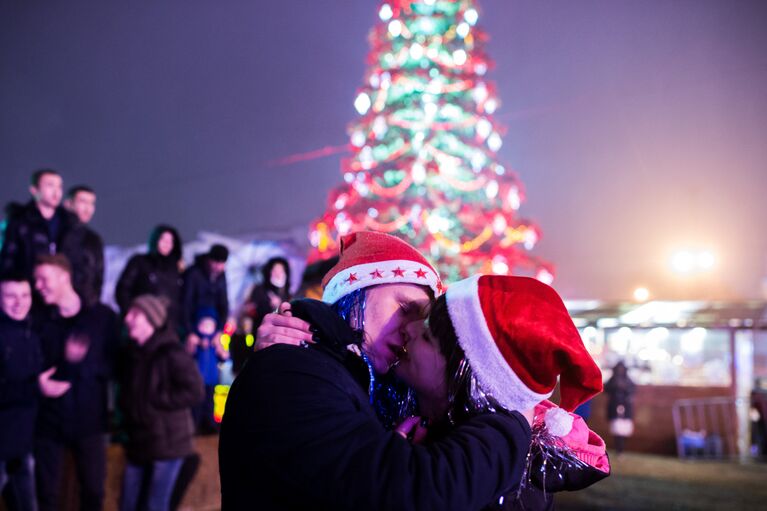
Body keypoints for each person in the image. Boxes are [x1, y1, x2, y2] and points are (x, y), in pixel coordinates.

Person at [220, 231, 534, 511]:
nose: (411, 330)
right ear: (355, 293)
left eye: (421, 323)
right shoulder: (292, 370)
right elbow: (411, 489)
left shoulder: (372, 380)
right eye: (405, 308)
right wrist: (515, 421)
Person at [392, 275, 610, 510]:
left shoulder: (502, 492)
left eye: (427, 337)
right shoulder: (446, 434)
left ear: (471, 379)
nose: (408, 328)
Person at [33, 254, 119, 511]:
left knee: (93, 492)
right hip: (48, 423)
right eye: (36, 280)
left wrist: (79, 365)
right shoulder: (39, 320)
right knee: (47, 495)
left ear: (64, 277)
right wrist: (37, 382)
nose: (38, 286)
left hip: (89, 421)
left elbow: (115, 364)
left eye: (43, 279)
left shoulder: (101, 317)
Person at [118, 294, 204, 511]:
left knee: (155, 506)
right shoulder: (133, 353)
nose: (128, 318)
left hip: (168, 443)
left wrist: (157, 399)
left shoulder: (171, 352)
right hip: (139, 441)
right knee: (127, 504)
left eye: (135, 314)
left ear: (151, 320)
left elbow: (195, 391)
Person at [0, 169, 85, 281]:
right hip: (29, 287)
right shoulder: (20, 221)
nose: (56, 192)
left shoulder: (70, 223)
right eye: (50, 185)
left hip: (61, 286)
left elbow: (78, 260)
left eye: (59, 186)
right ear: (34, 190)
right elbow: (9, 259)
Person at [116, 225, 183, 328]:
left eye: (170, 241)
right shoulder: (139, 262)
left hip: (168, 326)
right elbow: (123, 289)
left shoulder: (177, 269)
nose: (167, 244)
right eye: (163, 239)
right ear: (155, 240)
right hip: (142, 322)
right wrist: (130, 312)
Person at [181, 244, 229, 353]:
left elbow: (224, 304)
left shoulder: (221, 276)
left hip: (213, 325)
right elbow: (186, 303)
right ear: (209, 260)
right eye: (216, 262)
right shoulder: (194, 273)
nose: (218, 267)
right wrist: (189, 332)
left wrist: (220, 330)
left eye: (222, 263)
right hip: (194, 323)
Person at [63, 185, 104, 306]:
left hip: (85, 305)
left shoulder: (94, 239)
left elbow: (98, 277)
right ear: (68, 204)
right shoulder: (55, 232)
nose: (88, 209)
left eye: (92, 203)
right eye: (83, 202)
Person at [189, 307, 227, 434]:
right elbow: (188, 355)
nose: (206, 327)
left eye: (210, 325)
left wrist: (219, 347)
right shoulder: (194, 340)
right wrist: (193, 343)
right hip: (197, 379)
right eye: (203, 324)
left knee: (209, 403)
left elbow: (225, 357)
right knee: (196, 403)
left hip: (211, 379)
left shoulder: (216, 342)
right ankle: (195, 425)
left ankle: (209, 425)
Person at [243, 256, 291, 328]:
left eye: (281, 270)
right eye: (275, 270)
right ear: (270, 272)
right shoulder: (259, 289)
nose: (278, 274)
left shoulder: (288, 294)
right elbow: (251, 311)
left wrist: (279, 306)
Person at [604, 361, 636, 454]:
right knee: (616, 430)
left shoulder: (628, 381)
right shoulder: (613, 380)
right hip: (615, 409)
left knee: (624, 431)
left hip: (626, 410)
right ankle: (619, 450)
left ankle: (621, 449)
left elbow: (632, 391)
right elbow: (606, 389)